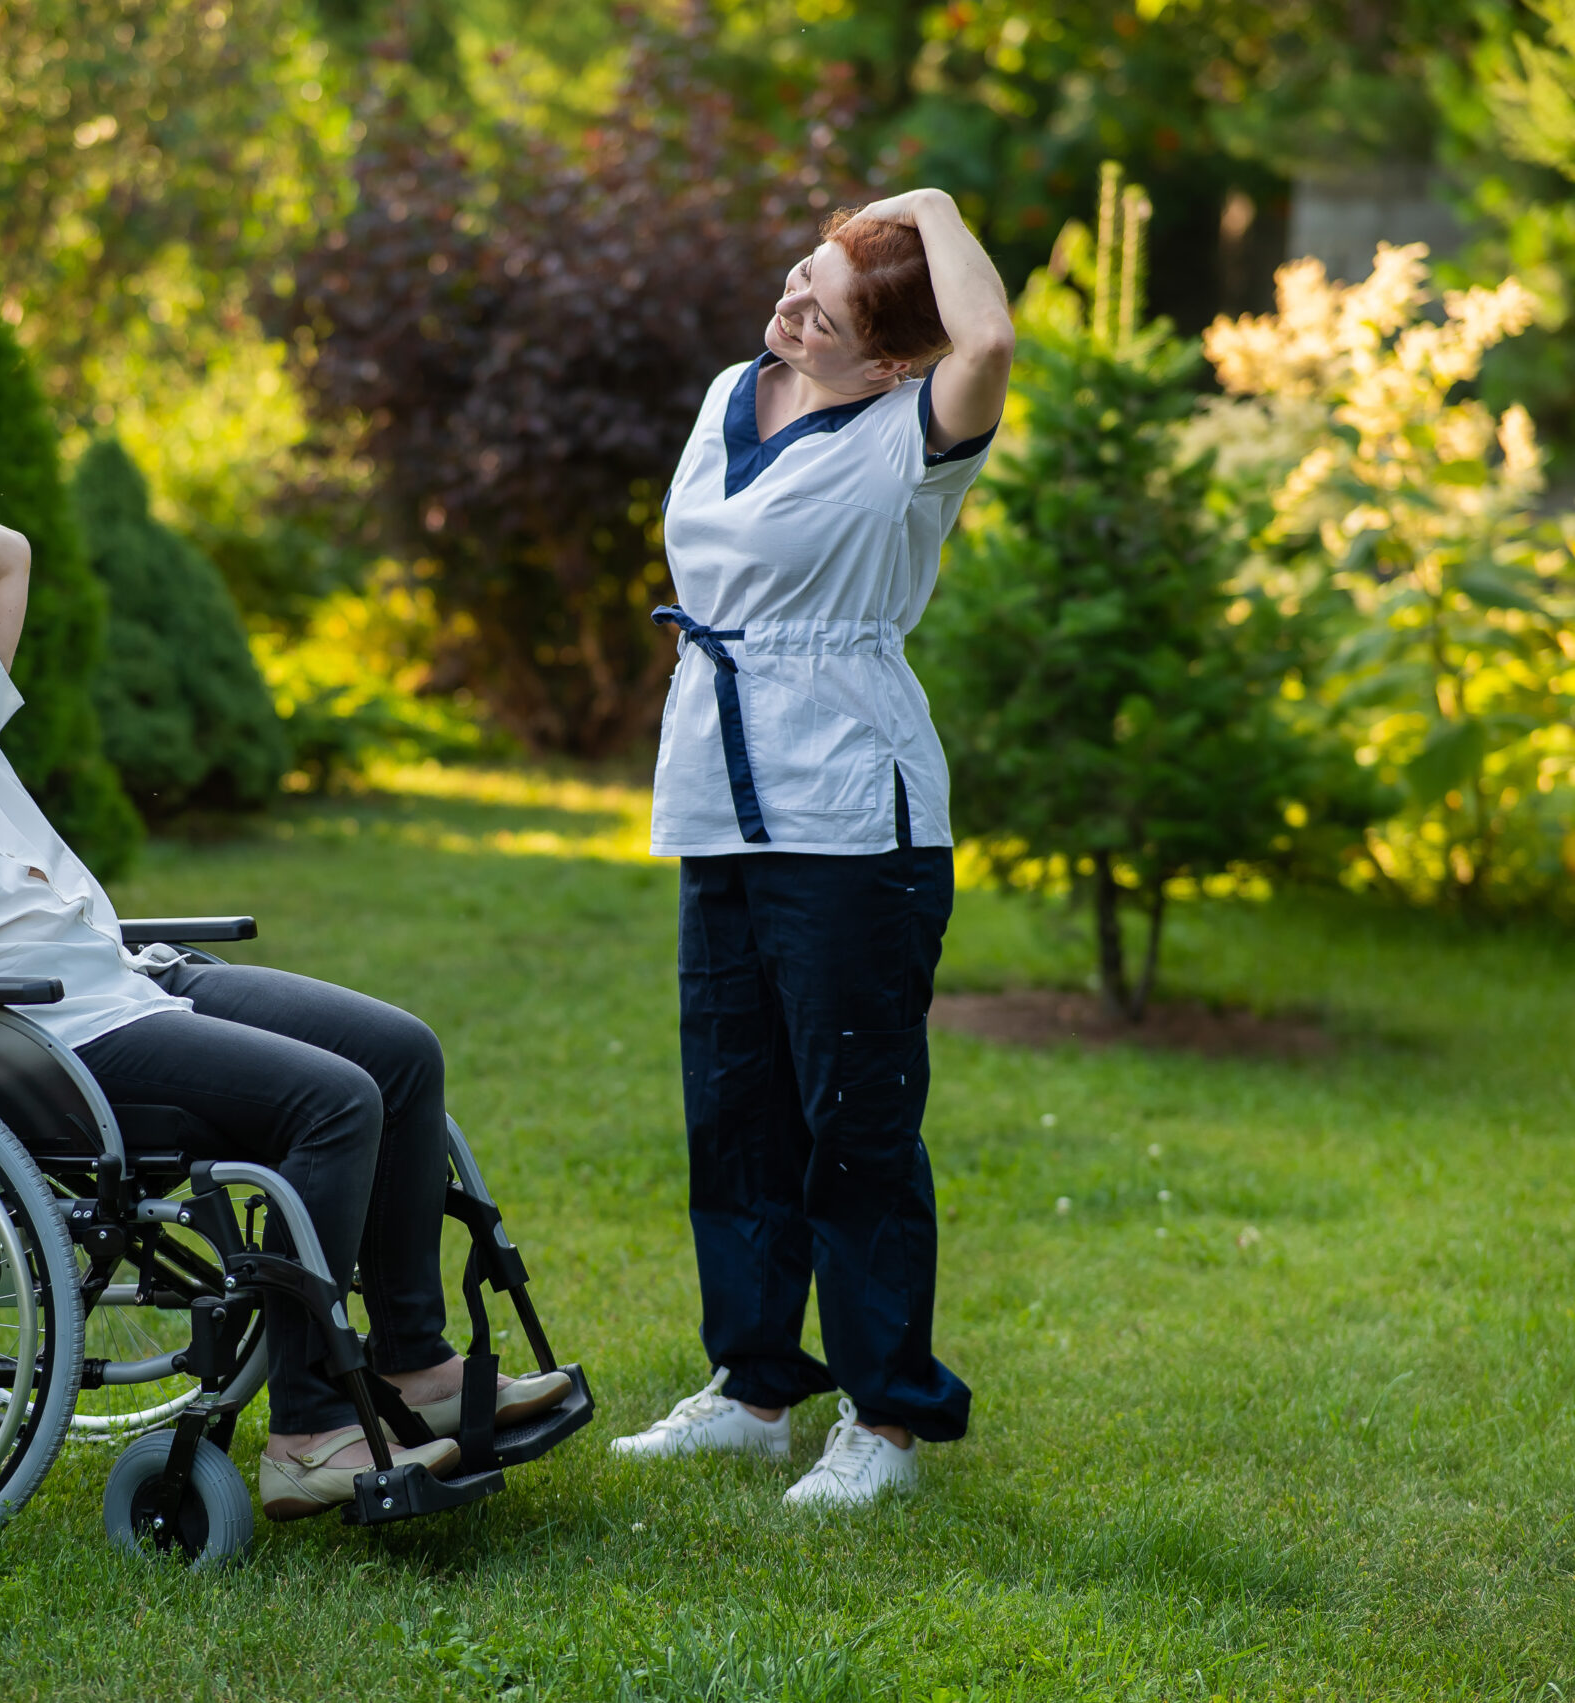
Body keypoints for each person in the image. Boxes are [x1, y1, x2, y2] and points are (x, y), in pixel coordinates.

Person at [0, 495, 569, 1519]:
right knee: (335, 1101)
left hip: (126, 981)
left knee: (401, 1052)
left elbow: (10, 553)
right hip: (49, 1043)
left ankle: (410, 1363)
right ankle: (310, 1431)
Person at [609, 189, 1013, 1508]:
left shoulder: (921, 429)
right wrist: (841, 258)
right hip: (719, 802)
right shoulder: (737, 387)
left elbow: (991, 342)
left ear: (893, 359)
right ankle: (753, 1386)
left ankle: (886, 1418)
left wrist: (934, 205)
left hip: (851, 816)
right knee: (735, 1107)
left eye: (827, 312)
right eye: (799, 274)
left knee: (855, 1125)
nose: (791, 305)